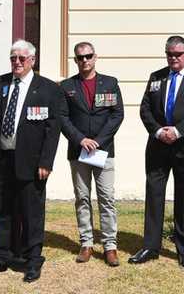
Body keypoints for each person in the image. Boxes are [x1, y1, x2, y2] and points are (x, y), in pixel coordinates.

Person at [0, 40, 65, 283]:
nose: (16, 62)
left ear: (32, 61)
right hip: (2, 159)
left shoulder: (47, 89)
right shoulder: (1, 83)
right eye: (13, 58)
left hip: (32, 161)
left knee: (31, 212)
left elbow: (53, 129)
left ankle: (32, 258)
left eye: (21, 58)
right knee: (2, 209)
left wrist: (46, 162)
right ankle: (2, 254)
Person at [130, 35, 184, 268]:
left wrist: (177, 131)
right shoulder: (156, 77)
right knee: (154, 196)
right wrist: (158, 132)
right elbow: (145, 109)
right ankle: (150, 246)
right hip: (158, 147)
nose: (173, 58)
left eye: (178, 54)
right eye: (169, 54)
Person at [59, 41, 124, 266]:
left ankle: (110, 246)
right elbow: (62, 118)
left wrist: (98, 141)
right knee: (83, 198)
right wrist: (81, 139)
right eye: (80, 57)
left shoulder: (110, 83)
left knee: (106, 198)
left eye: (88, 56)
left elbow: (117, 115)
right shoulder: (66, 86)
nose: (84, 60)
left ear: (95, 57)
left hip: (104, 151)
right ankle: (86, 243)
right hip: (79, 152)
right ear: (75, 60)